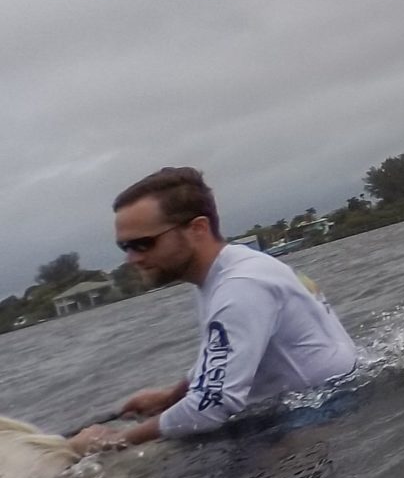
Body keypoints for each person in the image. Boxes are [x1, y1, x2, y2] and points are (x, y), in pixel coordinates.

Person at [67, 167, 359, 454]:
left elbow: (209, 407)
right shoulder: (229, 270)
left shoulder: (239, 287)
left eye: (144, 244)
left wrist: (110, 443)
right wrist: (172, 396)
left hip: (327, 413)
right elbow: (219, 356)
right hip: (331, 396)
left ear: (197, 229)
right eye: (125, 247)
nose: (132, 259)